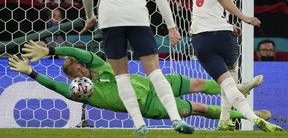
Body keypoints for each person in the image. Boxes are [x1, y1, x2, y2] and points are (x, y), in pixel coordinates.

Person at [79, 0, 193, 134]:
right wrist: (172, 27)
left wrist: (90, 17)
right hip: (137, 17)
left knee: (122, 76)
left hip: (110, 19)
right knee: (155, 72)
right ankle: (176, 119)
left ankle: (139, 125)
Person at [8, 41, 271, 123]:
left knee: (199, 84)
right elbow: (55, 86)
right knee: (199, 108)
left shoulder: (98, 66)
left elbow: (79, 52)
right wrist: (31, 72)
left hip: (155, 82)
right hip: (150, 107)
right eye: (77, 74)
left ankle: (238, 88)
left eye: (81, 69)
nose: (82, 74)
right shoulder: (81, 93)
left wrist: (51, 50)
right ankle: (247, 115)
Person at [190, 0, 284, 132]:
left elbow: (206, 9)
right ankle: (253, 117)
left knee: (227, 83)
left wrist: (229, 25)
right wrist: (244, 18)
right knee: (231, 79)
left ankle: (225, 120)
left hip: (201, 38)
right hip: (222, 38)